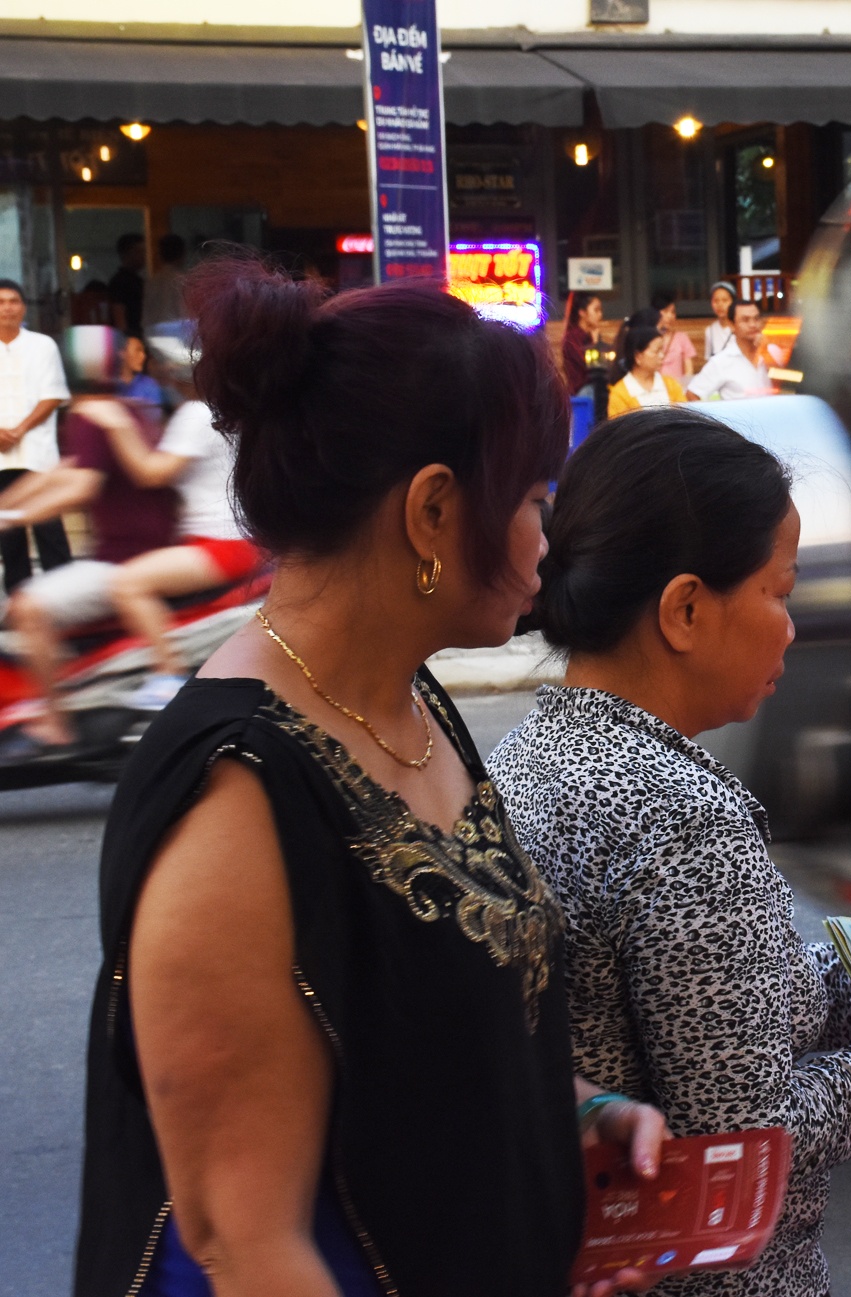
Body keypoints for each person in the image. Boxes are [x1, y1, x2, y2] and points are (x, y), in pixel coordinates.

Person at [75, 262, 668, 1297]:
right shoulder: (237, 795)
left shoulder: (402, 700)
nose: (545, 538)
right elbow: (244, 1245)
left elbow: (409, 1034)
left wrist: (564, 1112)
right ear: (435, 511)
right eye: (532, 497)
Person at [489, 407, 851, 1296]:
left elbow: (720, 1009)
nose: (790, 625)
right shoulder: (681, 815)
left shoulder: (530, 755)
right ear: (686, 609)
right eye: (779, 591)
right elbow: (736, 1142)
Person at [0, 327, 177, 754]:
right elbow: (65, 470)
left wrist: (13, 517)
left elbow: (80, 485)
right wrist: (8, 504)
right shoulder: (124, 407)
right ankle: (76, 688)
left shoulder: (93, 413)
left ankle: (55, 722)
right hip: (133, 554)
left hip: (122, 562)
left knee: (27, 608)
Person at [88, 337, 266, 712]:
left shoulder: (195, 413)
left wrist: (116, 423)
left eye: (169, 367)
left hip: (220, 544)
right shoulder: (224, 410)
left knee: (127, 584)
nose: (164, 373)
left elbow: (153, 474)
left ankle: (167, 675)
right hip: (236, 539)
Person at [0, 277, 72, 591]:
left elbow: (53, 395)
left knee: (49, 529)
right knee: (9, 535)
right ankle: (20, 604)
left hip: (38, 453)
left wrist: (19, 430)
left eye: (13, 301)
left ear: (24, 306)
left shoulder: (42, 345)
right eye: (0, 302)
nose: (7, 308)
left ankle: (66, 600)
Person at [686, 298, 773, 401]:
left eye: (756, 319)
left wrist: (767, 351)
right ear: (731, 325)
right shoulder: (721, 361)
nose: (753, 325)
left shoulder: (770, 352)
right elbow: (692, 394)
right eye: (745, 320)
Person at [605, 309, 686, 417]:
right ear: (638, 356)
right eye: (656, 351)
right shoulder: (620, 394)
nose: (662, 356)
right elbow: (619, 432)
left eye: (662, 350)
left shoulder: (672, 385)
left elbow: (684, 421)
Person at [562, 291, 603, 395]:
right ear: (582, 313)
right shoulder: (571, 338)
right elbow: (592, 367)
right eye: (596, 310)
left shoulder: (593, 335)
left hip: (596, 385)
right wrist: (595, 344)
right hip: (581, 390)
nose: (600, 315)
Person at [107, 232, 147, 338]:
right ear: (126, 254)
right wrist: (125, 339)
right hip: (131, 339)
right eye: (139, 251)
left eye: (144, 251)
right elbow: (118, 312)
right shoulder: (120, 281)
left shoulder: (138, 280)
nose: (143, 256)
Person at [145, 233, 189, 329]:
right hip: (177, 334)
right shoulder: (183, 280)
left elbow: (146, 315)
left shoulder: (152, 281)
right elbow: (186, 313)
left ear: (160, 255)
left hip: (153, 334)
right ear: (183, 254)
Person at [652, 290, 697, 381]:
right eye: (665, 311)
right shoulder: (649, 339)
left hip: (677, 390)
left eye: (673, 312)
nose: (670, 316)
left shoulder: (682, 338)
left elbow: (689, 371)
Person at [117, 332, 164, 407]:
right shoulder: (109, 385)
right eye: (138, 350)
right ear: (122, 353)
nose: (143, 356)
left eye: (143, 351)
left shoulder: (149, 386)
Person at [702, 279, 736, 363]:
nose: (720, 305)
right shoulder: (710, 330)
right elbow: (708, 359)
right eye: (716, 301)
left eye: (725, 300)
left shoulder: (739, 328)